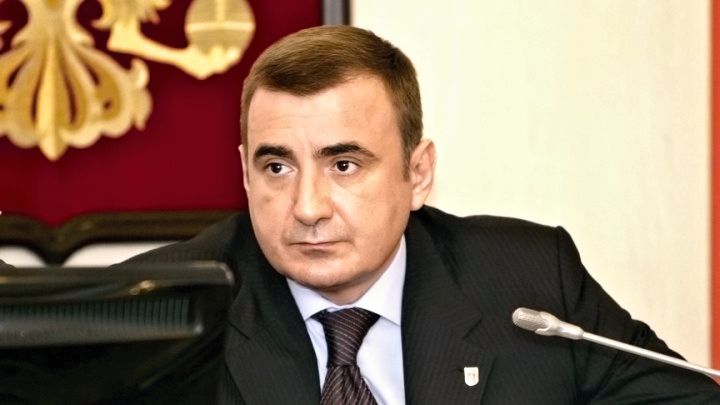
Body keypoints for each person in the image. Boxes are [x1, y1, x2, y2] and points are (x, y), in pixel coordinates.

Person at [121, 25, 720, 404]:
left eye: (344, 164)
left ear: (418, 173)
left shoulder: (529, 281)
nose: (307, 207)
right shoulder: (159, 308)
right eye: (277, 167)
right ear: (245, 172)